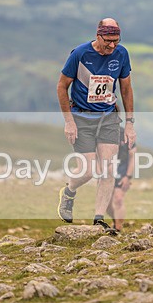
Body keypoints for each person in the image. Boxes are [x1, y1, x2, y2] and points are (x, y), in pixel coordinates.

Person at [56, 17, 136, 234]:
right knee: (89, 170)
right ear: (98, 35)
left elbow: (126, 89)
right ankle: (69, 192)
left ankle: (98, 218)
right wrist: (68, 121)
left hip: (109, 117)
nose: (112, 46)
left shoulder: (121, 54)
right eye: (108, 41)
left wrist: (129, 123)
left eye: (116, 41)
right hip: (81, 118)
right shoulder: (80, 54)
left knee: (108, 169)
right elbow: (62, 87)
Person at [107, 133, 136, 233]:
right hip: (108, 172)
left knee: (118, 199)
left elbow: (133, 157)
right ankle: (115, 221)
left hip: (122, 172)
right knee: (107, 204)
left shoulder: (126, 134)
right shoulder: (104, 131)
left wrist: (128, 176)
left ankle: (118, 228)